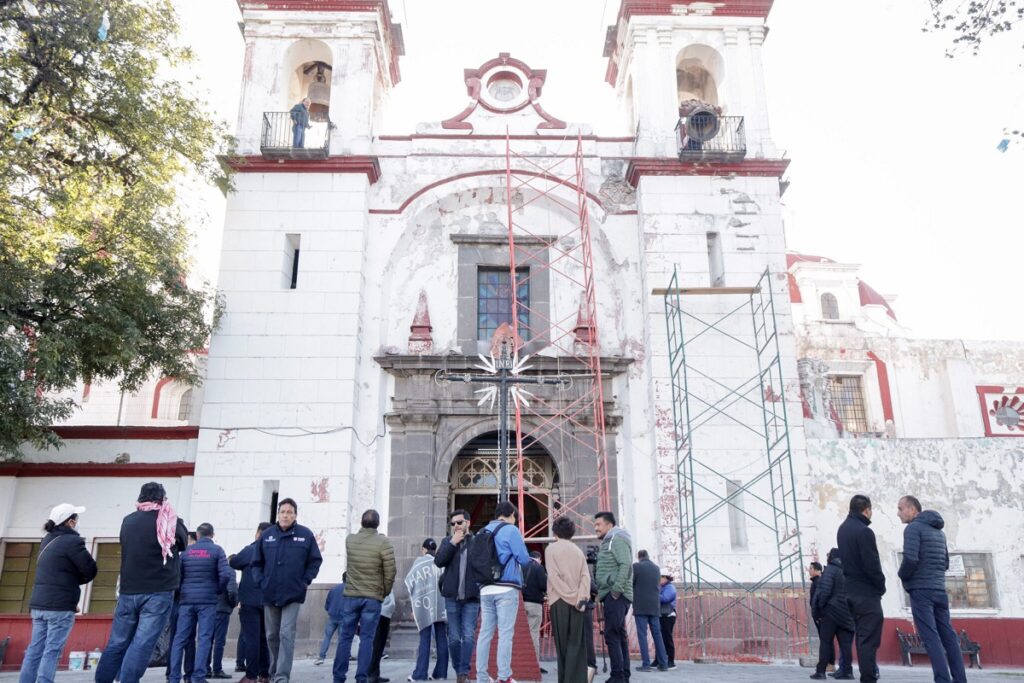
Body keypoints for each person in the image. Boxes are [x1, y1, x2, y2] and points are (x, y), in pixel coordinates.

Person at [95, 482, 189, 683]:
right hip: (158, 591)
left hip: (128, 591)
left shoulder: (128, 521)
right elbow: (182, 542)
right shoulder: (168, 520)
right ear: (162, 499)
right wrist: (174, 516)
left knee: (117, 641)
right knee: (142, 643)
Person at [19, 503, 97, 683]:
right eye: (76, 518)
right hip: (60, 607)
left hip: (39, 605)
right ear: (70, 522)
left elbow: (54, 572)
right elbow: (90, 569)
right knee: (52, 651)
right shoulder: (73, 541)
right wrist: (73, 584)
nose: (78, 522)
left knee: (34, 649)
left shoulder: (47, 540)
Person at [897, 495, 967, 683]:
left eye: (901, 509)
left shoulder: (913, 529)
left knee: (930, 637)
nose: (898, 513)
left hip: (921, 591)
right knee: (949, 636)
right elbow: (945, 563)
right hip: (939, 590)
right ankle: (960, 679)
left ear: (912, 509)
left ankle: (942, 679)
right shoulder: (939, 532)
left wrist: (902, 575)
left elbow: (910, 559)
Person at [252, 498, 323, 683]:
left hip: (293, 593)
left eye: (289, 512)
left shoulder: (305, 535)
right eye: (282, 512)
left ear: (295, 515)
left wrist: (305, 581)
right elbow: (256, 562)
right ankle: (274, 671)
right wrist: (261, 581)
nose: (285, 515)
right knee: (271, 635)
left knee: (286, 633)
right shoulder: (267, 535)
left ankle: (282, 676)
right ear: (278, 514)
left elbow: (315, 560)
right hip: (270, 592)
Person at [334, 509, 396, 683]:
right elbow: (391, 572)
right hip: (372, 598)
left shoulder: (350, 540)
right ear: (378, 524)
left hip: (352, 595)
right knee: (367, 639)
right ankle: (362, 677)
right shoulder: (383, 542)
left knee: (345, 637)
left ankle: (338, 677)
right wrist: (384, 591)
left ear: (361, 522)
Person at [474, 501, 531, 683]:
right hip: (506, 588)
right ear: (511, 515)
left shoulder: (481, 532)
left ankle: (482, 677)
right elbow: (524, 559)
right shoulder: (511, 530)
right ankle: (504, 676)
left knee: (485, 634)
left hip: (485, 589)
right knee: (505, 634)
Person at [169, 523, 234, 683]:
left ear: (197, 535)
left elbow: (177, 576)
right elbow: (226, 574)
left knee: (180, 638)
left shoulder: (186, 552)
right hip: (207, 601)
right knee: (204, 639)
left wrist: (182, 591)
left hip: (186, 601)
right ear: (212, 535)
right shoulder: (217, 551)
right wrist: (217, 590)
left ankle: (174, 677)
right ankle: (198, 677)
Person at [837, 494, 886, 683]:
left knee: (861, 638)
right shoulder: (864, 531)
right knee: (868, 640)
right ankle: (868, 678)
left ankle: (868, 676)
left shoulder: (843, 529)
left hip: (850, 591)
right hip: (866, 593)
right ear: (866, 510)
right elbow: (871, 564)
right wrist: (881, 585)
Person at [434, 509, 479, 683]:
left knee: (468, 635)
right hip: (452, 597)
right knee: (453, 638)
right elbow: (438, 562)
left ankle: (463, 673)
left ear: (468, 523)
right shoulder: (447, 542)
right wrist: (453, 543)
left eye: (459, 523)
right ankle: (459, 668)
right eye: (453, 524)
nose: (456, 526)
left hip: (471, 598)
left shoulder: (476, 542)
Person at [544, 517, 590, 683]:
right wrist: (580, 597)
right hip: (578, 602)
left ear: (555, 532)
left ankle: (564, 680)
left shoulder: (550, 549)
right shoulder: (578, 551)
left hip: (559, 601)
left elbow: (554, 577)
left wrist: (569, 596)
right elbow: (585, 577)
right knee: (576, 644)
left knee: (562, 645)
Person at [593, 511, 632, 683]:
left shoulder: (617, 539)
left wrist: (616, 590)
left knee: (612, 635)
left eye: (598, 525)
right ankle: (624, 675)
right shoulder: (610, 540)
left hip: (616, 595)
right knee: (619, 635)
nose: (596, 528)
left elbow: (626, 564)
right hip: (612, 594)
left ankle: (617, 676)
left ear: (609, 525)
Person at [230, 522, 272, 683]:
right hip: (268, 600)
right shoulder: (274, 552)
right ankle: (265, 674)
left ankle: (251, 675)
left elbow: (234, 562)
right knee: (264, 638)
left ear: (258, 534)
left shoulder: (251, 550)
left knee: (251, 638)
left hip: (249, 601)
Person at [405, 539, 448, 682]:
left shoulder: (419, 562)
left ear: (424, 550)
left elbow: (410, 584)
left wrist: (412, 608)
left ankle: (420, 674)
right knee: (442, 637)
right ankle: (440, 673)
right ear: (434, 550)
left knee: (425, 638)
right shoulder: (441, 562)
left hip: (423, 605)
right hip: (440, 604)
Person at [810, 549, 855, 680]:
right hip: (846, 613)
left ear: (832, 557)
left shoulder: (830, 569)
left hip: (831, 612)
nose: (827, 557)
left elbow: (824, 591)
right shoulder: (849, 570)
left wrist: (821, 608)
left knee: (826, 642)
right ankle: (847, 671)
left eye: (828, 555)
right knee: (845, 645)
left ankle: (821, 671)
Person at [631, 550, 667, 672]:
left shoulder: (636, 567)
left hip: (641, 606)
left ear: (639, 557)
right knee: (657, 634)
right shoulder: (656, 568)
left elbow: (631, 583)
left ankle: (646, 664)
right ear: (648, 556)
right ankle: (663, 663)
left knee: (642, 635)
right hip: (654, 606)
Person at [209, 559, 239, 679]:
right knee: (219, 641)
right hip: (222, 609)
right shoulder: (229, 570)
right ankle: (217, 669)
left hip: (209, 608)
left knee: (207, 639)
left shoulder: (212, 570)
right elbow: (232, 591)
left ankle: (205, 668)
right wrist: (233, 604)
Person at [522, 551, 547, 671]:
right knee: (534, 634)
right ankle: (534, 664)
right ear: (539, 559)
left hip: (521, 604)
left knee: (522, 634)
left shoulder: (521, 566)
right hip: (535, 604)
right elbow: (544, 585)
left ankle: (522, 661)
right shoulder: (539, 568)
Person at [317, 574, 347, 665]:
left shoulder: (334, 589)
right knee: (341, 639)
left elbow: (327, 603)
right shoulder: (350, 590)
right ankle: (339, 658)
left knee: (327, 637)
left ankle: (321, 657)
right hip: (344, 617)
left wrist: (330, 610)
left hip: (332, 616)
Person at [367, 590, 396, 683]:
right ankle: (371, 674)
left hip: (385, 612)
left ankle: (375, 674)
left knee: (380, 646)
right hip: (380, 612)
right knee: (377, 644)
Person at [658, 575, 677, 671]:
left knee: (667, 638)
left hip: (668, 616)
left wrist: (654, 594)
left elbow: (665, 598)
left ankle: (671, 661)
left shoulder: (670, 587)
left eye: (660, 577)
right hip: (662, 615)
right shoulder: (663, 587)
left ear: (666, 578)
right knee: (660, 638)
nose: (658, 579)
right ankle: (659, 659)